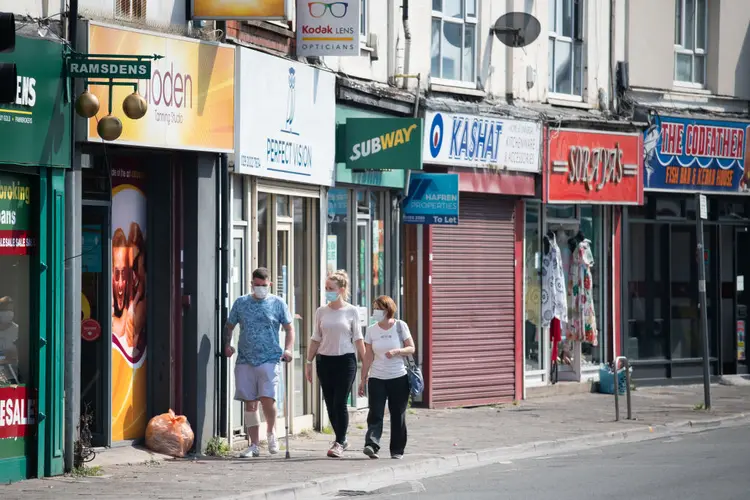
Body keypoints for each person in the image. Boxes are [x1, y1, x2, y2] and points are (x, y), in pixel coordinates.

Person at [223, 267, 294, 458]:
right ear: (251, 284)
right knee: (250, 402)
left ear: (270, 284)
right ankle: (253, 444)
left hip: (270, 358)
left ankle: (271, 432)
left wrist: (287, 349)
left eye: (264, 285)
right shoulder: (241, 303)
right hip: (246, 358)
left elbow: (289, 328)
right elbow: (229, 325)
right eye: (257, 285)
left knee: (267, 399)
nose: (260, 288)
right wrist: (227, 344)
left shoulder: (277, 303)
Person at [305, 270, 364, 458]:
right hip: (324, 360)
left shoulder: (351, 311)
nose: (327, 291)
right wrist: (308, 361)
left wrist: (367, 367)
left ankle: (340, 440)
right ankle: (341, 439)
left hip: (345, 360)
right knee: (330, 403)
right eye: (326, 288)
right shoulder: (321, 311)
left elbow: (358, 339)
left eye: (331, 288)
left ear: (341, 289)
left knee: (340, 402)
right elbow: (316, 337)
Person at [358, 295, 414, 460]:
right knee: (375, 412)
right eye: (375, 308)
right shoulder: (371, 330)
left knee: (398, 414)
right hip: (377, 377)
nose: (376, 312)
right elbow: (368, 356)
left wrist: (397, 351)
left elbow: (411, 348)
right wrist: (363, 378)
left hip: (398, 376)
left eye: (379, 308)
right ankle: (371, 445)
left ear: (388, 310)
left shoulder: (400, 326)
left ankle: (397, 450)